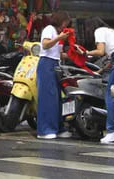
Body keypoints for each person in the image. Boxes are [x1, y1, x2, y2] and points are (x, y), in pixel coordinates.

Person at [36, 11, 72, 140]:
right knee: (47, 98)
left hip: (56, 64)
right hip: (46, 64)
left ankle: (58, 127)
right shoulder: (49, 29)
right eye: (64, 23)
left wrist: (76, 55)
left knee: (57, 98)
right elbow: (45, 45)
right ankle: (44, 130)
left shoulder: (57, 33)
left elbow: (59, 53)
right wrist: (58, 38)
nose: (64, 26)